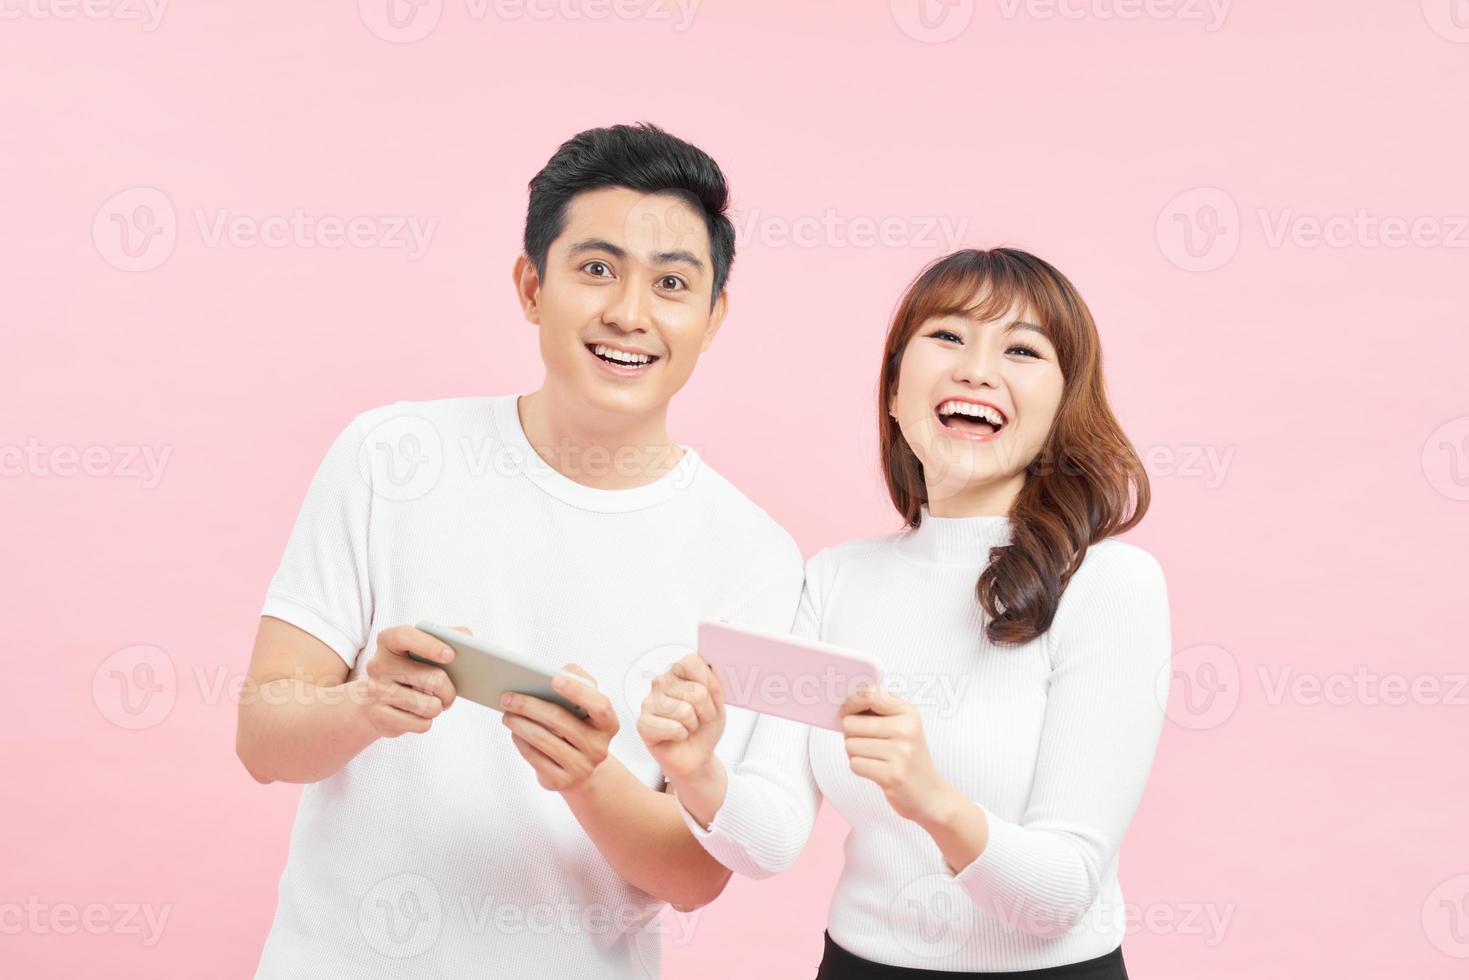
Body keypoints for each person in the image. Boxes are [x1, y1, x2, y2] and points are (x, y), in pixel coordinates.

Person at [236, 123, 803, 979]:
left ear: (713, 316)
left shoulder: (754, 555)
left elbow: (693, 878)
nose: (629, 313)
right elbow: (262, 736)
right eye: (596, 268)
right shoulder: (391, 455)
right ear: (531, 286)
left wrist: (587, 778)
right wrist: (364, 705)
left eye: (672, 283)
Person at [639, 248, 1171, 978]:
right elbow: (769, 842)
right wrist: (695, 769)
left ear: (1061, 408)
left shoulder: (1109, 583)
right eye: (947, 336)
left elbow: (1060, 895)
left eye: (1021, 349)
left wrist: (927, 797)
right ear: (893, 391)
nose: (976, 369)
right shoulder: (834, 579)